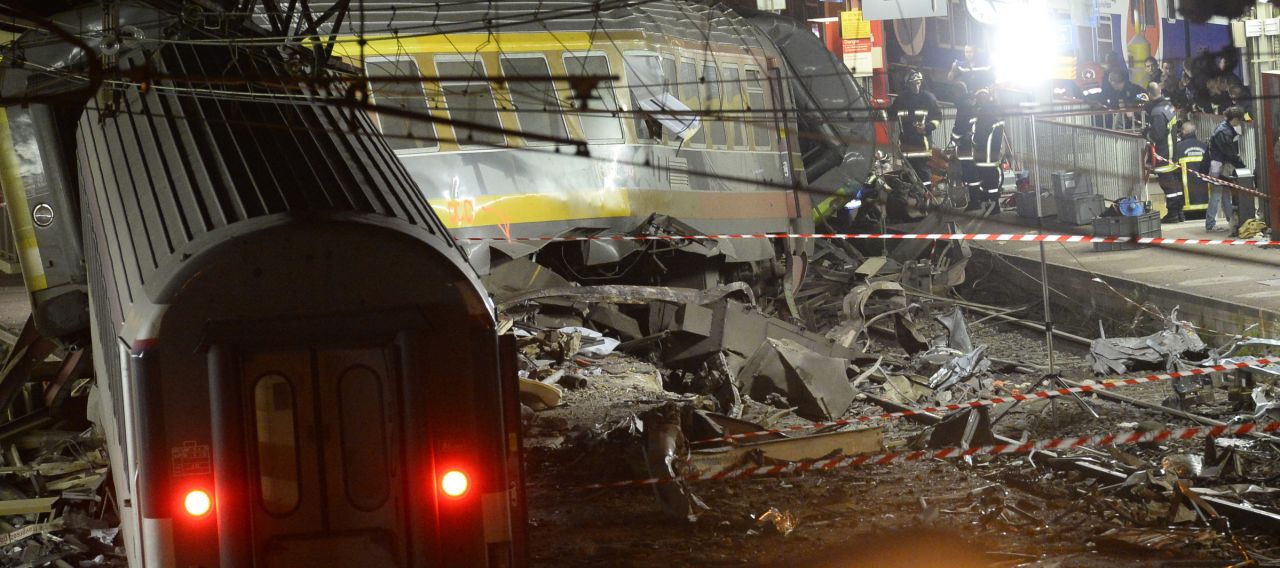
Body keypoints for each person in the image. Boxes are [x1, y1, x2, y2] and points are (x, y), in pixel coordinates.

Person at [888, 69, 942, 193]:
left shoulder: (928, 98)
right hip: (906, 145)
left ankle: (927, 197)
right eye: (913, 83)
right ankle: (914, 198)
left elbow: (938, 117)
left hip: (921, 144)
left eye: (918, 82)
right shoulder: (901, 99)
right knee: (909, 174)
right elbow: (891, 113)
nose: (916, 86)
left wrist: (927, 127)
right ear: (908, 84)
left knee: (923, 173)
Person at [1202, 106, 1248, 233]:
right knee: (1217, 194)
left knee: (1225, 194)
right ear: (1235, 119)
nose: (1240, 123)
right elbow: (1229, 153)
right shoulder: (1224, 132)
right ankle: (1210, 224)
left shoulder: (1224, 127)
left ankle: (1230, 220)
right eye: (1240, 120)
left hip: (1218, 164)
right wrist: (1241, 165)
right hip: (1219, 165)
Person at [1144, 83, 1180, 222]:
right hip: (1172, 150)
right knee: (1174, 183)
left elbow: (1157, 135)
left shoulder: (1157, 112)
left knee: (1167, 184)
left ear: (1149, 93)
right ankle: (1179, 212)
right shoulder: (1168, 106)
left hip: (1164, 152)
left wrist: (1147, 133)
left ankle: (1173, 214)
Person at [1164, 121, 1207, 223]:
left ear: (1183, 131)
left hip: (1186, 202)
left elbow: (1173, 171)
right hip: (1205, 200)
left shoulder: (1177, 148)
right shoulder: (1205, 147)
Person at [971, 89, 1004, 209]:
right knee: (989, 180)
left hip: (985, 154)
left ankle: (991, 205)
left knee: (988, 180)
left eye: (981, 98)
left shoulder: (984, 114)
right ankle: (990, 204)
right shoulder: (994, 112)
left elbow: (979, 135)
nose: (980, 100)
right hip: (990, 155)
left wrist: (973, 139)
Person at [951, 87, 983, 210]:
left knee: (970, 174)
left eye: (955, 92)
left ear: (959, 92)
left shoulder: (963, 106)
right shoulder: (972, 104)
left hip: (966, 146)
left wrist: (954, 137)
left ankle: (975, 202)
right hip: (975, 145)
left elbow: (959, 127)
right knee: (975, 173)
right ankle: (979, 199)